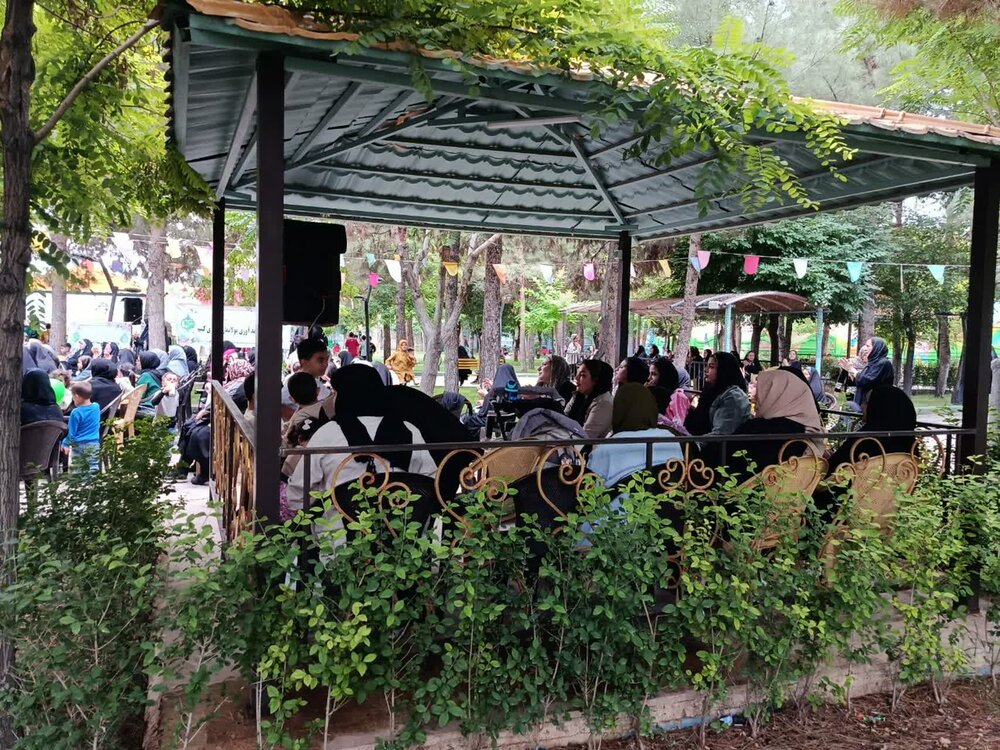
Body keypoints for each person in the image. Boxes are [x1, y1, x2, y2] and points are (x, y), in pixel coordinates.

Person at [720, 368, 824, 482]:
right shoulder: (806, 431)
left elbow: (724, 456)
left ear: (776, 394)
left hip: (737, 487)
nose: (755, 396)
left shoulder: (759, 428)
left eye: (764, 390)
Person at [587, 383, 683, 487]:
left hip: (624, 498)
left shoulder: (604, 449)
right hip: (668, 497)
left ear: (618, 410)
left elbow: (590, 489)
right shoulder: (670, 438)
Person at [825, 385, 917, 477]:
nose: (862, 406)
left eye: (866, 402)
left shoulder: (863, 441)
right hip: (898, 486)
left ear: (878, 407)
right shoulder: (910, 445)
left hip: (850, 485)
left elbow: (830, 468)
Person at [684, 351, 750, 448]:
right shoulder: (711, 390)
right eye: (706, 366)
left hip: (718, 451)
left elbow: (721, 433)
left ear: (724, 370)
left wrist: (690, 445)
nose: (705, 370)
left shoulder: (733, 397)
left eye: (711, 367)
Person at [281, 338, 333, 418]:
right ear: (304, 362)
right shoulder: (292, 386)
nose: (326, 364)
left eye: (327, 360)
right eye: (320, 360)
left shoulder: (317, 383)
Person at [564, 359, 614, 438]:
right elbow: (564, 418)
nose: (576, 378)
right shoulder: (580, 395)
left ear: (596, 380)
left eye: (582, 375)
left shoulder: (603, 403)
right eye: (577, 374)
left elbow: (585, 437)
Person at [841, 337, 894, 411]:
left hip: (875, 406)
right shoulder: (872, 363)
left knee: (848, 406)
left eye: (868, 346)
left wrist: (852, 370)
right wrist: (852, 374)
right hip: (864, 403)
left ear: (877, 348)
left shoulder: (883, 363)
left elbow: (867, 380)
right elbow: (861, 381)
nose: (865, 348)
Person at [61, 381, 102, 473]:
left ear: (76, 396)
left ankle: (81, 481)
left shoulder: (76, 412)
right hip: (93, 443)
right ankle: (92, 481)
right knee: (93, 466)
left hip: (78, 444)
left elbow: (71, 432)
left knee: (78, 468)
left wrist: (65, 444)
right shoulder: (96, 407)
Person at [647, 356, 690, 433]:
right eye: (649, 374)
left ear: (664, 376)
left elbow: (678, 427)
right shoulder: (651, 394)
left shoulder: (678, 397)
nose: (649, 378)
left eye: (654, 374)